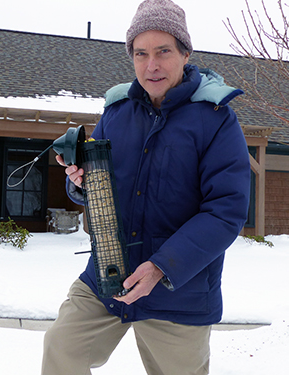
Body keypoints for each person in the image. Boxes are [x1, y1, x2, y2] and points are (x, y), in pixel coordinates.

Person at [41, 0, 251, 374]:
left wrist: (160, 268)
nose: (151, 65)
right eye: (141, 53)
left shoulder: (216, 119)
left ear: (185, 53)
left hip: (178, 290)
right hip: (108, 274)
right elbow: (97, 188)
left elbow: (225, 212)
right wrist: (81, 183)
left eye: (163, 52)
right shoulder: (116, 113)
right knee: (62, 347)